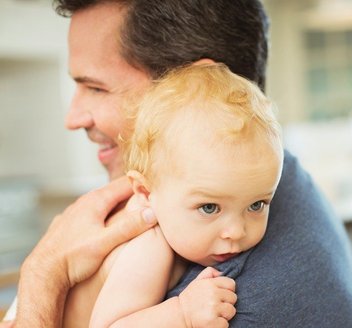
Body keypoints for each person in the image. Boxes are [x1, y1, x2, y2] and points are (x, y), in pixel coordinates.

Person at [4, 0, 352, 327]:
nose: (73, 117)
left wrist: (44, 273)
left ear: (190, 84)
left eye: (97, 88)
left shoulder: (236, 296)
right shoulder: (277, 179)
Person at [61, 63, 283, 327]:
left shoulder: (181, 221)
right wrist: (181, 313)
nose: (235, 231)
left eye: (257, 204)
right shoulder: (149, 248)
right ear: (145, 192)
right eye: (209, 208)